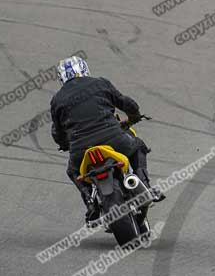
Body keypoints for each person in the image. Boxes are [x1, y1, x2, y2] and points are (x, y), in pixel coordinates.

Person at [50, 56, 164, 224]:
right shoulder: (100, 83)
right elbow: (127, 103)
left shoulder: (57, 100)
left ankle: (91, 203)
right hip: (113, 138)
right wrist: (134, 116)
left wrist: (64, 145)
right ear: (85, 70)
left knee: (73, 171)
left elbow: (57, 132)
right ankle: (145, 187)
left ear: (62, 78)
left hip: (81, 150)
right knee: (138, 145)